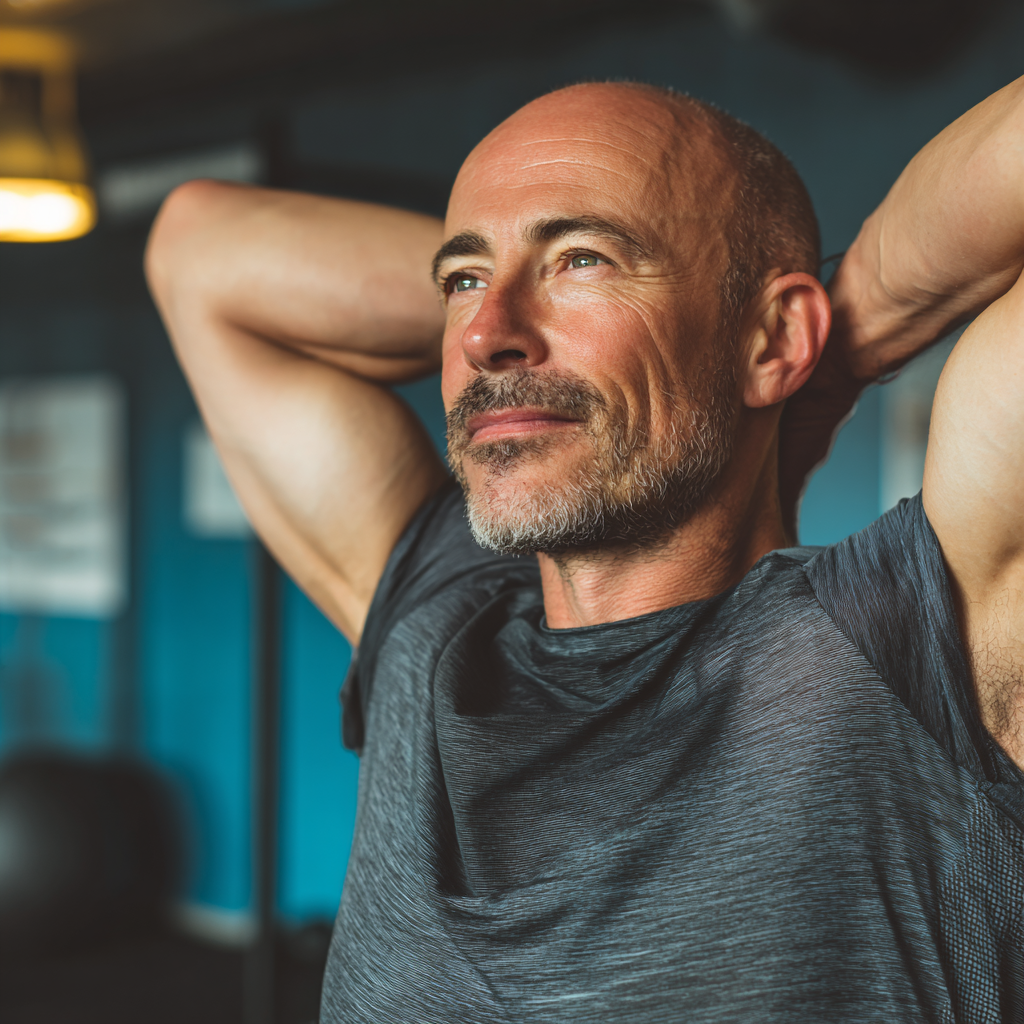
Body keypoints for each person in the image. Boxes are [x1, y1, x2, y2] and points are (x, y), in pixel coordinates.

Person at [146, 79, 1024, 1022]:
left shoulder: (917, 645)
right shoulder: (437, 617)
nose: (485, 336)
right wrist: (711, 330)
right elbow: (199, 247)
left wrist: (845, 329)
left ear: (775, 336)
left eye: (584, 260)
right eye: (463, 278)